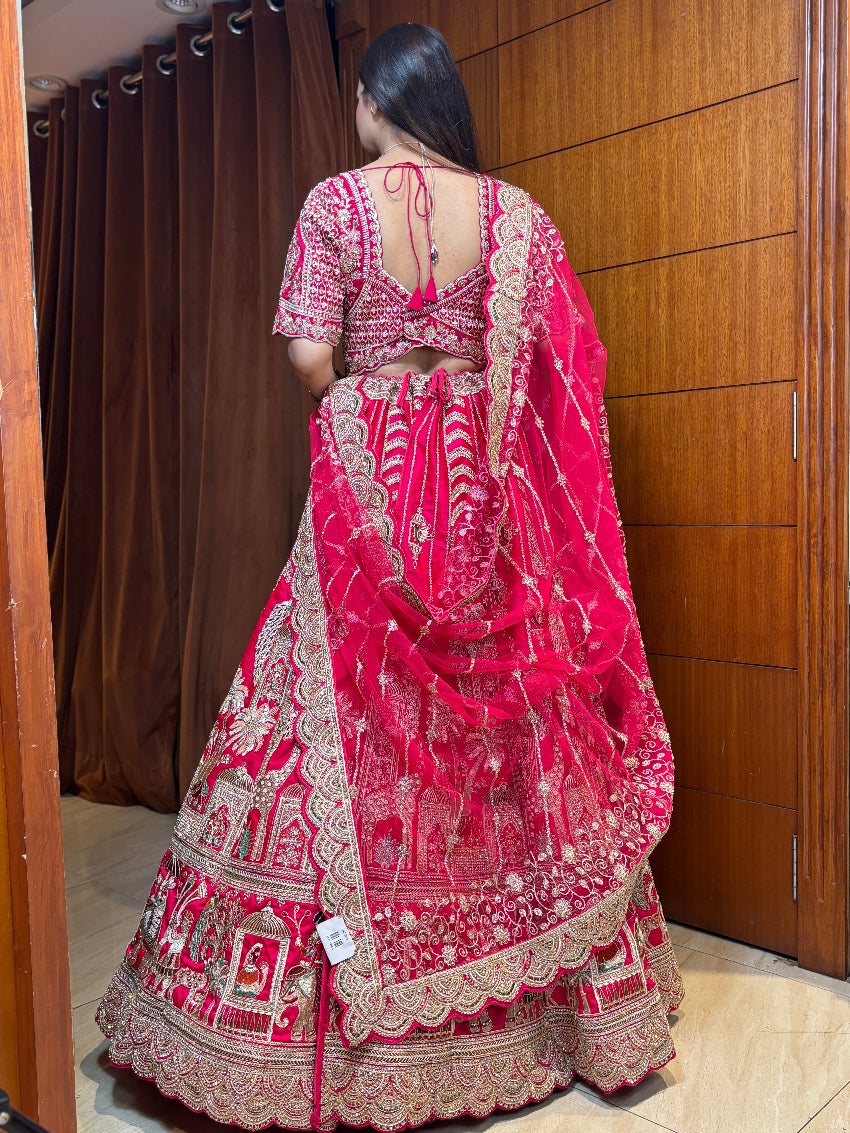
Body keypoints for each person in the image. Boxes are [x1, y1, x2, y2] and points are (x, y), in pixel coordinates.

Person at [96, 22, 682, 1130]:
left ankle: (305, 1020)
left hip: (373, 484)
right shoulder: (517, 220)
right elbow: (566, 383)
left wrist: (374, 398)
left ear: (372, 100)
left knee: (322, 712)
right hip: (483, 488)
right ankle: (554, 1014)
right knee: (509, 723)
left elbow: (312, 358)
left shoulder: (333, 205)